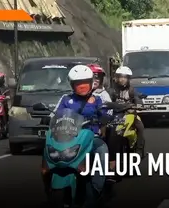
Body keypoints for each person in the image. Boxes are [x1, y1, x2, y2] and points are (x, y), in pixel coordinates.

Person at [51, 65, 109, 207]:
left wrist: (106, 118)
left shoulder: (97, 100)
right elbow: (54, 114)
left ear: (90, 82)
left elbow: (105, 113)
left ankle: (96, 189)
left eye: (84, 83)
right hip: (67, 138)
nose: (82, 86)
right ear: (72, 84)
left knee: (102, 150)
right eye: (78, 83)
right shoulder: (65, 99)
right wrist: (49, 118)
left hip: (91, 137)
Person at [107, 66, 145, 158]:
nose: (122, 79)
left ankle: (139, 150)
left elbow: (137, 98)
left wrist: (139, 104)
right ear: (116, 78)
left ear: (128, 79)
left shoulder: (132, 90)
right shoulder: (112, 90)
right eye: (120, 77)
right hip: (116, 115)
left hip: (130, 114)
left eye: (125, 77)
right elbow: (107, 101)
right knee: (107, 129)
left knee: (140, 127)